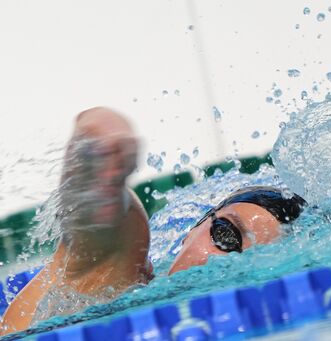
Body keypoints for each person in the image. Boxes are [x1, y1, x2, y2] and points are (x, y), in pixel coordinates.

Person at [0, 107, 306, 335]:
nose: (226, 263)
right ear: (193, 230)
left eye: (255, 260)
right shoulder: (122, 279)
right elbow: (102, 228)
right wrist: (99, 169)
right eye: (226, 234)